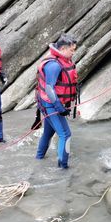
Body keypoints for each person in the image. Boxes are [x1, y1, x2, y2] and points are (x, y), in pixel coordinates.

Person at [35, 34, 78, 168]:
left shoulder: (63, 60)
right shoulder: (54, 65)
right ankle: (62, 168)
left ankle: (38, 158)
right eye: (72, 50)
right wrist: (59, 108)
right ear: (63, 49)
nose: (73, 52)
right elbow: (49, 89)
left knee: (48, 132)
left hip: (52, 104)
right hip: (51, 104)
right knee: (65, 134)